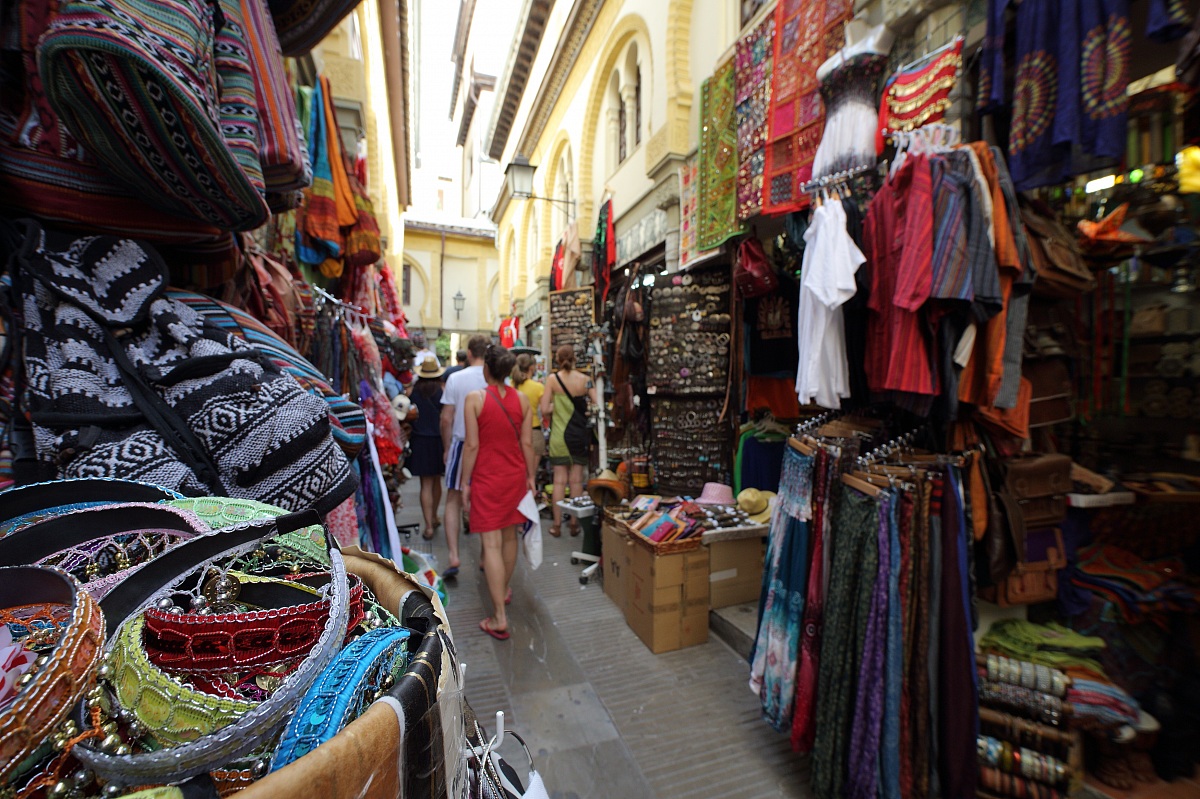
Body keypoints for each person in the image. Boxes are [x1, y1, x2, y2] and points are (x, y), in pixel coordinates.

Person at [460, 344, 536, 640]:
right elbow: (527, 444)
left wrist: (465, 482)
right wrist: (531, 476)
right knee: (509, 537)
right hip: (514, 477)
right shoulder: (523, 400)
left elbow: (472, 445)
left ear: (486, 369)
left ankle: (499, 617)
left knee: (491, 544)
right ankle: (503, 589)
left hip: (487, 478)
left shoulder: (475, 399)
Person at [440, 335, 489, 577]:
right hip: (487, 444)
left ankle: (454, 555)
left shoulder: (455, 378)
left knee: (453, 499)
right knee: (484, 500)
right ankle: (485, 556)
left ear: (469, 353)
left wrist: (446, 447)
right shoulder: (495, 378)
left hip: (461, 443)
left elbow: (446, 418)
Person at [540, 345, 596, 537]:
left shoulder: (552, 380)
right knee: (576, 480)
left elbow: (544, 409)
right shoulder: (585, 380)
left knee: (559, 481)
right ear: (574, 359)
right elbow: (597, 406)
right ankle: (574, 524)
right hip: (579, 435)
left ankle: (556, 525)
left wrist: (558, 405)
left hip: (559, 436)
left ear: (557, 360)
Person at [407, 357, 446, 540]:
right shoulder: (441, 392)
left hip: (419, 440)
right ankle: (435, 516)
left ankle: (428, 525)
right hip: (438, 441)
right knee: (437, 481)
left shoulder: (414, 392)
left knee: (425, 484)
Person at [511, 354, 545, 467]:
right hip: (533, 431)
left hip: (513, 432)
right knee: (531, 473)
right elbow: (544, 410)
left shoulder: (509, 386)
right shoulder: (538, 387)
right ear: (531, 367)